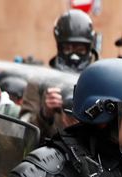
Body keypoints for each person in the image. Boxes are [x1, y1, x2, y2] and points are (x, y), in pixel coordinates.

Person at [19, 9, 95, 139]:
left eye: (80, 49)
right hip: (50, 154)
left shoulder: (100, 80)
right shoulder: (39, 80)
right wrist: (45, 113)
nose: (74, 56)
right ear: (59, 47)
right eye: (68, 49)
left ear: (89, 49)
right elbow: (22, 131)